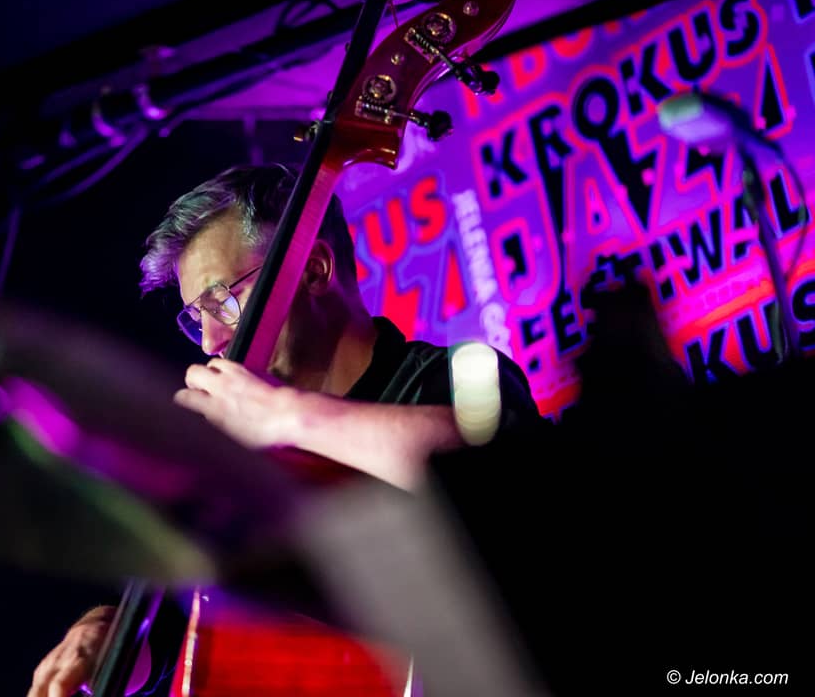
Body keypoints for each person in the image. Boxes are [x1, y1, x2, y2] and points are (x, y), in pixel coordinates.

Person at [27, 162, 544, 697]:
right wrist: (110, 632)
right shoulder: (248, 473)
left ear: (315, 270)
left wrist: (284, 415)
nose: (209, 342)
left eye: (222, 301)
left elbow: (495, 476)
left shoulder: (447, 380)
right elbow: (176, 632)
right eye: (195, 318)